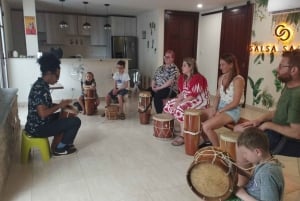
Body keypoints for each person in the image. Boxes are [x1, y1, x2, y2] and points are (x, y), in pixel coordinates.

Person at [234, 49, 300, 157]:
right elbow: (279, 111)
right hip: (276, 130)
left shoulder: (297, 95)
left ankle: (249, 171)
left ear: (294, 70)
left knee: (242, 144)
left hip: (286, 140)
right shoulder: (289, 86)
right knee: (237, 128)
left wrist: (268, 125)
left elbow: (296, 133)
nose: (277, 69)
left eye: (281, 66)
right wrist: (259, 120)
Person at [24, 52, 81, 156]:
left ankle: (61, 143)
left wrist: (62, 105)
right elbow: (43, 114)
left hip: (37, 124)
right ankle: (60, 148)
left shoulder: (42, 84)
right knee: (76, 121)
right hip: (38, 128)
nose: (58, 78)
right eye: (57, 75)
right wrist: (59, 106)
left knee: (65, 116)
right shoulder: (40, 88)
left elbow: (45, 105)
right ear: (49, 73)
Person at [227, 127, 284, 201]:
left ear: (257, 152)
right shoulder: (265, 163)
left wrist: (242, 195)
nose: (244, 156)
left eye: (245, 153)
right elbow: (257, 180)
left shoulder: (267, 174)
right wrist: (239, 170)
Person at [200, 53, 245, 147]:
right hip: (221, 107)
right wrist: (213, 109)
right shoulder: (221, 78)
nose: (220, 67)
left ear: (231, 65)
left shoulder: (238, 80)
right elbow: (217, 96)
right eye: (220, 65)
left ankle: (218, 151)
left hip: (232, 110)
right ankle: (208, 140)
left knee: (206, 126)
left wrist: (220, 111)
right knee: (197, 118)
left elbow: (235, 102)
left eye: (223, 64)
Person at [163, 57, 210, 146]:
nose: (182, 67)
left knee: (180, 109)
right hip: (188, 99)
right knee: (169, 104)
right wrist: (176, 102)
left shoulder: (199, 78)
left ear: (191, 67)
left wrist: (180, 104)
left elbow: (192, 96)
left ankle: (183, 136)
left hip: (199, 100)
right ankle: (176, 128)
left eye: (184, 65)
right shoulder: (183, 77)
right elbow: (182, 94)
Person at [150, 49, 179, 113]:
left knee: (157, 95)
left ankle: (159, 116)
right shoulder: (160, 67)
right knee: (147, 93)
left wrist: (158, 88)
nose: (165, 58)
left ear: (172, 59)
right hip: (158, 87)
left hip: (170, 89)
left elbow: (170, 82)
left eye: (168, 57)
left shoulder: (174, 69)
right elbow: (154, 78)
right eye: (165, 57)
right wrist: (153, 86)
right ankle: (146, 112)